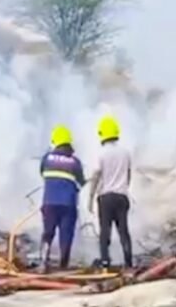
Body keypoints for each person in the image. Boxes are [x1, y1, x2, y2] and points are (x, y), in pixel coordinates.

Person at [88, 115, 133, 269]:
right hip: (122, 196)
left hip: (105, 197)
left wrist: (90, 197)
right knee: (123, 231)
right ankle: (128, 262)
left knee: (105, 231)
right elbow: (128, 175)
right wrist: (124, 188)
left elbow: (96, 175)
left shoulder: (101, 153)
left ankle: (105, 261)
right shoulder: (125, 153)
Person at [39, 125, 86, 271]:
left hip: (49, 203)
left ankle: (43, 262)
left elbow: (42, 174)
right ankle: (63, 265)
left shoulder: (47, 158)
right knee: (65, 235)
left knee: (48, 233)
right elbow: (81, 182)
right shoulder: (74, 162)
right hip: (68, 204)